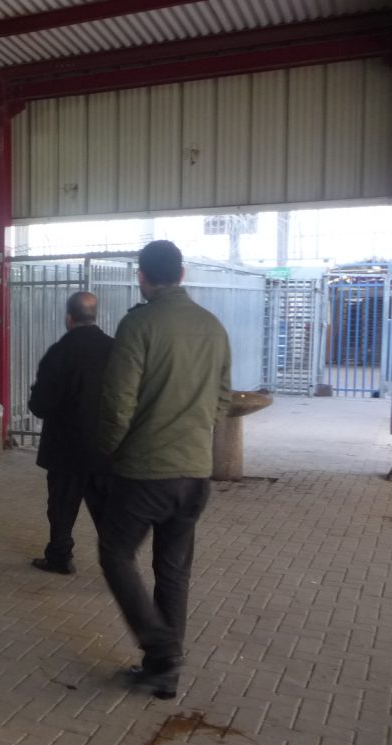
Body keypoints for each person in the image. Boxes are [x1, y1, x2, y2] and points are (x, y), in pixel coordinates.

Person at [96, 240, 231, 699]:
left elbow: (118, 402)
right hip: (195, 474)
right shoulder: (212, 326)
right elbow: (223, 397)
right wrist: (196, 433)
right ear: (182, 274)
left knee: (115, 553)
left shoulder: (139, 324)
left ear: (142, 277)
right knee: (173, 571)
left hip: (146, 472)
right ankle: (164, 672)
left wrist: (108, 451)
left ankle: (160, 645)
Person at [28, 291, 113, 575]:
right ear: (95, 315)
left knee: (61, 508)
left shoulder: (58, 352)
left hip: (65, 449)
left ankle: (60, 557)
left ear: (68, 318)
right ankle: (119, 565)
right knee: (107, 512)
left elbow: (39, 405)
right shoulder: (116, 350)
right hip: (105, 448)